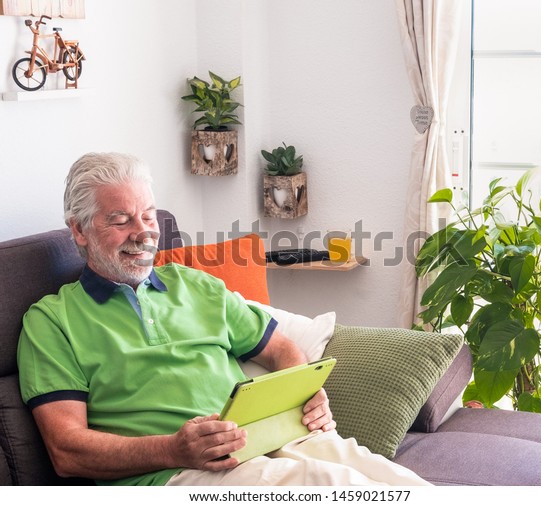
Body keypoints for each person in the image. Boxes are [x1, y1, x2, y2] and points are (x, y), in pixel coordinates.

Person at [17, 152, 429, 486]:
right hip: (178, 473)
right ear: (80, 230)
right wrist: (173, 449)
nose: (143, 233)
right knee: (328, 484)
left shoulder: (197, 286)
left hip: (272, 438)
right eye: (120, 220)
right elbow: (67, 451)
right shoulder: (52, 321)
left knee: (397, 482)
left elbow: (282, 349)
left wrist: (304, 394)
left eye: (148, 215)